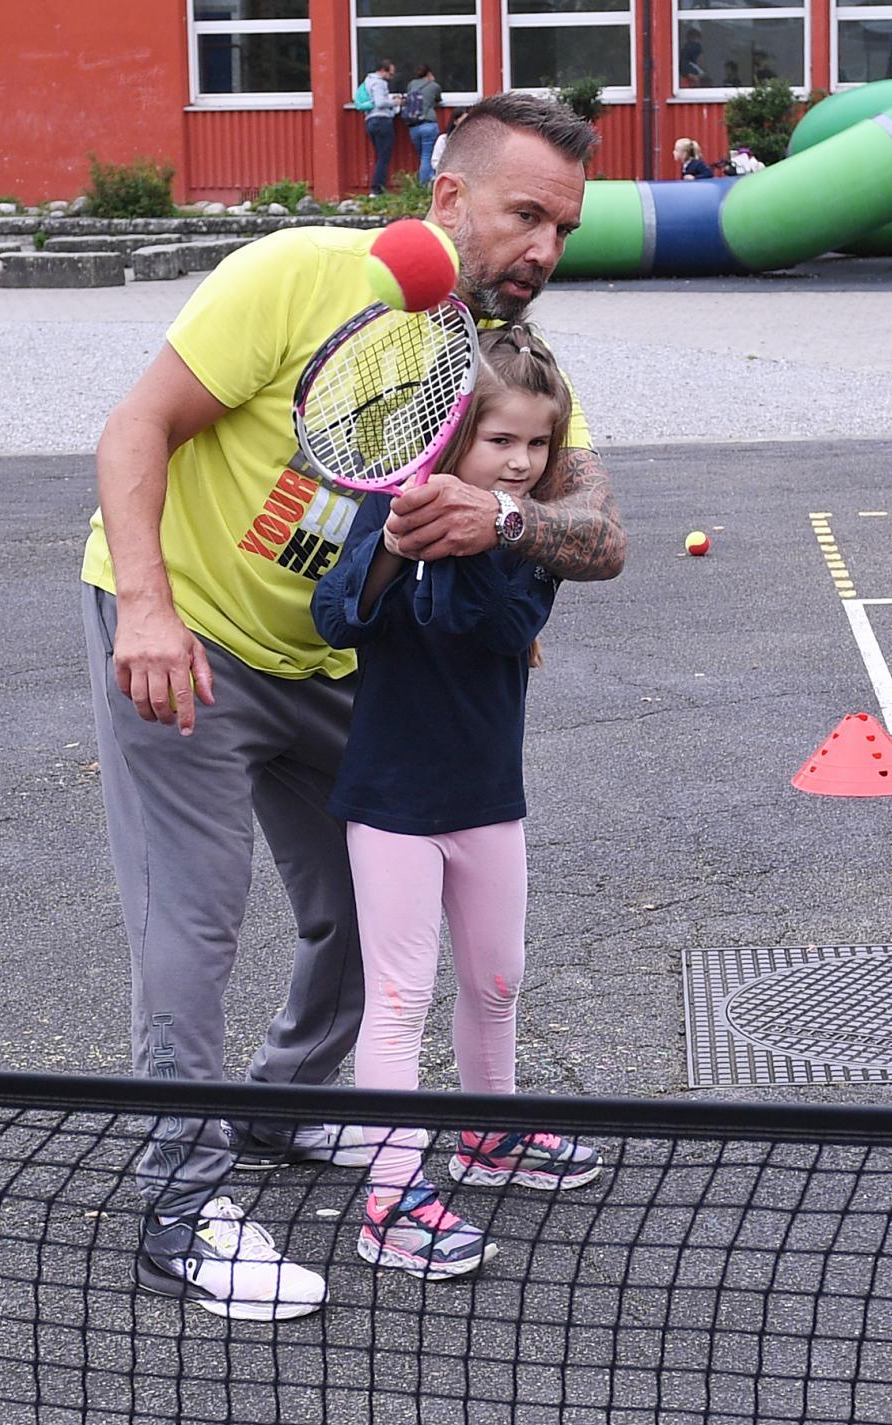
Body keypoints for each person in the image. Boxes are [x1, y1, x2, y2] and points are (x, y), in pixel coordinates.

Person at [86, 91, 624, 1321]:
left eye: (565, 228)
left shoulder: (501, 360)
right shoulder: (294, 276)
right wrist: (149, 613)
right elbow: (134, 431)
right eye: (525, 214)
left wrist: (506, 518)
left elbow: (598, 531)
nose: (543, 251)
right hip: (194, 638)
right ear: (445, 197)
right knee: (197, 918)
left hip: (339, 670)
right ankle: (183, 1200)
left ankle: (293, 1101)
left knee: (354, 914)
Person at [312, 326, 600, 1281]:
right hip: (392, 802)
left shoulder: (530, 541)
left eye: (536, 445)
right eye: (499, 442)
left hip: (488, 798)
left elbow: (489, 624)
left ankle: (490, 1136)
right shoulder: (387, 511)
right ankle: (390, 1203)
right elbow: (336, 614)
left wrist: (478, 532)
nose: (519, 462)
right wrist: (395, 544)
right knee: (399, 997)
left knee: (498, 980)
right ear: (452, 438)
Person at [362, 60, 399, 195]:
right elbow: (380, 102)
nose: (391, 77)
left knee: (380, 156)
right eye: (391, 74)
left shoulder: (368, 81)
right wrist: (395, 102)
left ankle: (377, 188)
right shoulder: (379, 82)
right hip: (381, 120)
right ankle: (377, 189)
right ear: (383, 70)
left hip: (370, 120)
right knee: (384, 156)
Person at [404, 64, 444, 187]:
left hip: (413, 126)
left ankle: (428, 182)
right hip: (428, 124)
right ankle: (425, 185)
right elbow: (438, 99)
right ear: (429, 74)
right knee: (428, 156)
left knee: (423, 156)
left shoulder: (411, 85)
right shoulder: (434, 86)